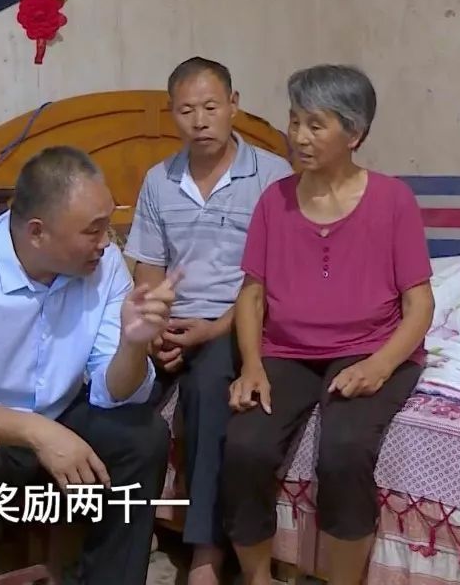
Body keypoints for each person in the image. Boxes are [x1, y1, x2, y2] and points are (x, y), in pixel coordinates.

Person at [0, 145, 176, 585]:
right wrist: (37, 432)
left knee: (143, 438)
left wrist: (133, 344)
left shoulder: (104, 264)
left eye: (107, 226)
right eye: (92, 231)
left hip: (64, 409)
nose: (107, 243)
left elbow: (112, 391)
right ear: (37, 233)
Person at [221, 65, 436, 585]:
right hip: (287, 351)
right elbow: (252, 294)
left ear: (354, 134)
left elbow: (420, 305)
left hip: (369, 347)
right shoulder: (274, 200)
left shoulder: (392, 200)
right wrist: (251, 366)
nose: (299, 136)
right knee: (245, 446)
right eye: (295, 121)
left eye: (316, 125)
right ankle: (256, 577)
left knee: (344, 449)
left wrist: (380, 366)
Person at [124, 56, 293, 584]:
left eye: (211, 107)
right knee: (113, 394)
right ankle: (118, 538)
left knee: (206, 391)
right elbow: (148, 268)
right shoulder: (160, 180)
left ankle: (204, 551)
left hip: (236, 319)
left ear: (234, 105)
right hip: (172, 322)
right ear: (172, 113)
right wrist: (154, 330)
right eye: (186, 110)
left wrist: (214, 329)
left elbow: (274, 277)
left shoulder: (272, 176)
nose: (200, 121)